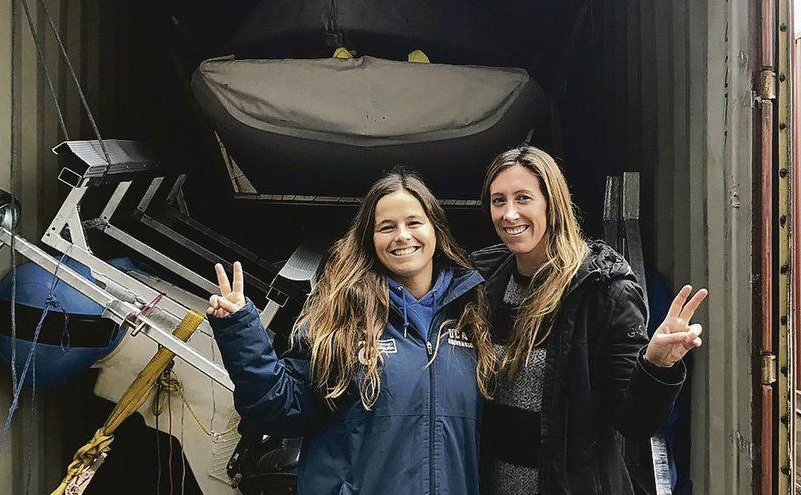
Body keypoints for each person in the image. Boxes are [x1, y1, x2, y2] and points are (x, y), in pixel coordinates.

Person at [207, 170, 497, 495]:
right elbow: (283, 409)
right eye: (386, 227)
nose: (402, 235)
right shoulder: (340, 316)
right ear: (370, 240)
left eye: (414, 223)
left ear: (436, 230)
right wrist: (241, 329)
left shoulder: (470, 317)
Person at [473, 145, 707, 494]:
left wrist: (657, 366)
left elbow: (634, 421)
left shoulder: (602, 289)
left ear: (552, 204)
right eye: (498, 200)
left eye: (523, 198)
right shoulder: (485, 284)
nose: (509, 214)